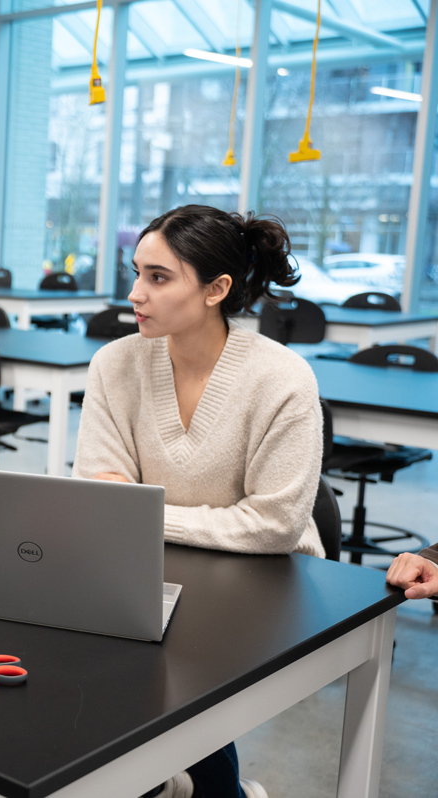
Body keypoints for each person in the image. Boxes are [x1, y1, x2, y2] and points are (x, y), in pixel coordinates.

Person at [74, 205, 325, 798]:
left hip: (266, 578)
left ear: (217, 289)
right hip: (158, 561)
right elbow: (98, 491)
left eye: (159, 278)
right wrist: (131, 513)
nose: (135, 293)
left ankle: (211, 791)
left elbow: (273, 526)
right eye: (136, 272)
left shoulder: (282, 379)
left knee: (179, 660)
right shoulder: (115, 363)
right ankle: (162, 783)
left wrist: (140, 512)